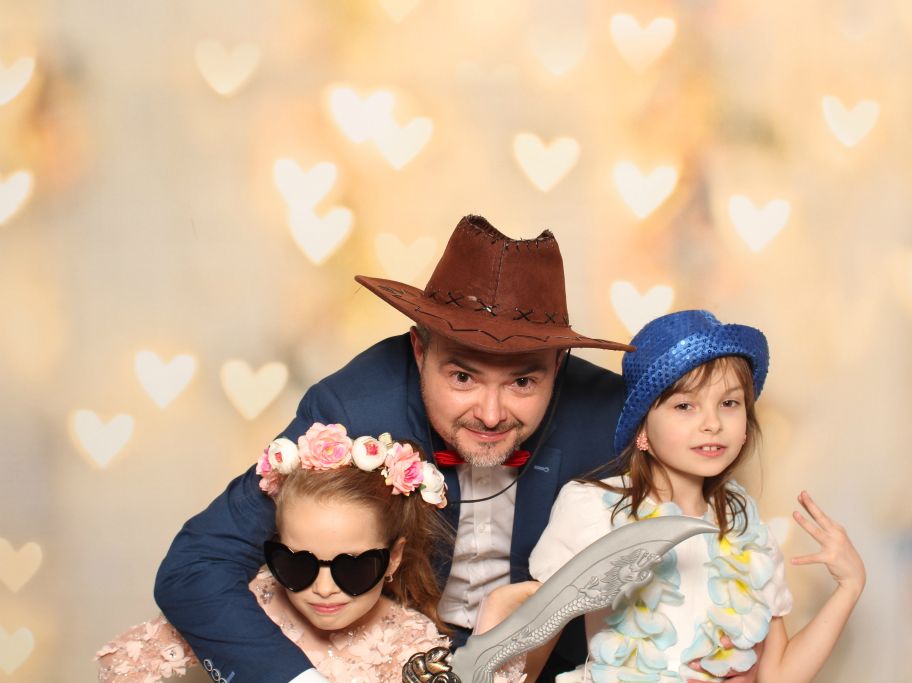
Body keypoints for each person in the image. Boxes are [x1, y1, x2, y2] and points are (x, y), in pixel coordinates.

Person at [153, 215, 635, 683]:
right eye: (462, 377)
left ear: (559, 363)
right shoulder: (352, 410)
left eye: (522, 382)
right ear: (420, 352)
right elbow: (196, 566)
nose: (490, 415)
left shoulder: (611, 416)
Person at [529, 310, 867, 683]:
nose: (712, 423)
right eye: (685, 406)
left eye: (729, 403)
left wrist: (849, 587)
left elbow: (778, 676)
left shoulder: (747, 530)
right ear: (642, 427)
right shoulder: (593, 508)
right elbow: (529, 643)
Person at [98, 426, 527, 682]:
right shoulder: (249, 605)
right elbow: (123, 664)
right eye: (297, 564)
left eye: (353, 569)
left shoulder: (411, 644)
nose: (322, 589)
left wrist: (499, 619)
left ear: (393, 559)